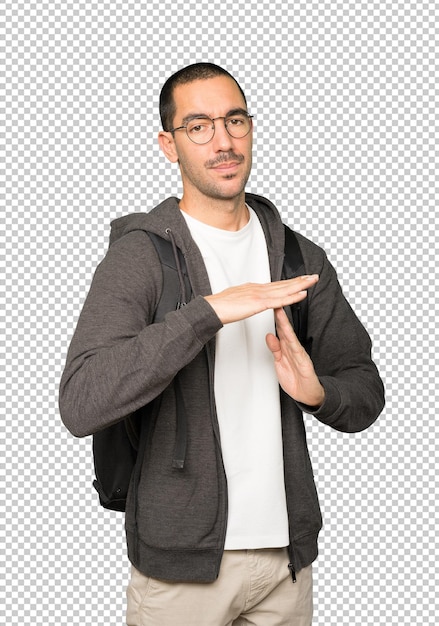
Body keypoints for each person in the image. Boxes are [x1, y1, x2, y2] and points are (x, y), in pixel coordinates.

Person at [59, 62, 385, 626]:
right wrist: (206, 314)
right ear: (169, 145)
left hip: (285, 561)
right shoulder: (139, 256)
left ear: (251, 128)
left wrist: (317, 393)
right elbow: (81, 402)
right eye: (200, 126)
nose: (224, 141)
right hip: (179, 575)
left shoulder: (300, 259)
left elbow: (364, 391)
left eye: (235, 121)